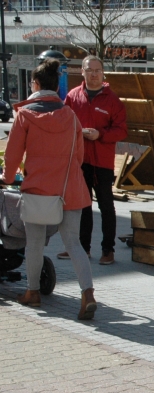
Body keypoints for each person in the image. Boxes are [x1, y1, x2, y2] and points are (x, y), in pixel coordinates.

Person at [3, 60, 97, 321]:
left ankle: (32, 292)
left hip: (38, 189)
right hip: (70, 188)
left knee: (34, 243)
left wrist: (7, 178)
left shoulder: (25, 115)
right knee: (74, 243)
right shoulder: (70, 115)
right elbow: (78, 156)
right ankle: (88, 293)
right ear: (56, 87)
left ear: (35, 85)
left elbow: (12, 155)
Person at [58, 57, 127, 266]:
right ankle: (83, 248)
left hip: (102, 161)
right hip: (80, 160)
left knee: (106, 206)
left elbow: (121, 130)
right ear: (82, 71)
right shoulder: (73, 96)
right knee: (83, 206)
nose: (94, 74)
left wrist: (100, 134)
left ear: (103, 72)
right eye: (90, 70)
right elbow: (63, 123)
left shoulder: (112, 100)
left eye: (97, 70)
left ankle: (108, 250)